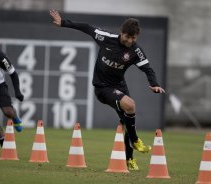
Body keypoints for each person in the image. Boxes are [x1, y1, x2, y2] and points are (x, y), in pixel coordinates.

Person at [50, 10, 165, 170]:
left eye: (133, 38)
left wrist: (154, 83)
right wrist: (64, 23)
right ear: (121, 33)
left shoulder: (135, 51)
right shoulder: (107, 38)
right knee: (131, 106)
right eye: (128, 37)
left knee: (127, 121)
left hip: (119, 87)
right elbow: (87, 27)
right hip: (102, 88)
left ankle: (129, 160)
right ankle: (136, 141)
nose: (130, 41)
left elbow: (148, 69)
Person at [0, 31, 24, 147]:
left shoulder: (1, 57)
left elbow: (13, 74)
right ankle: (5, 146)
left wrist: (17, 92)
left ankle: (15, 117)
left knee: (8, 112)